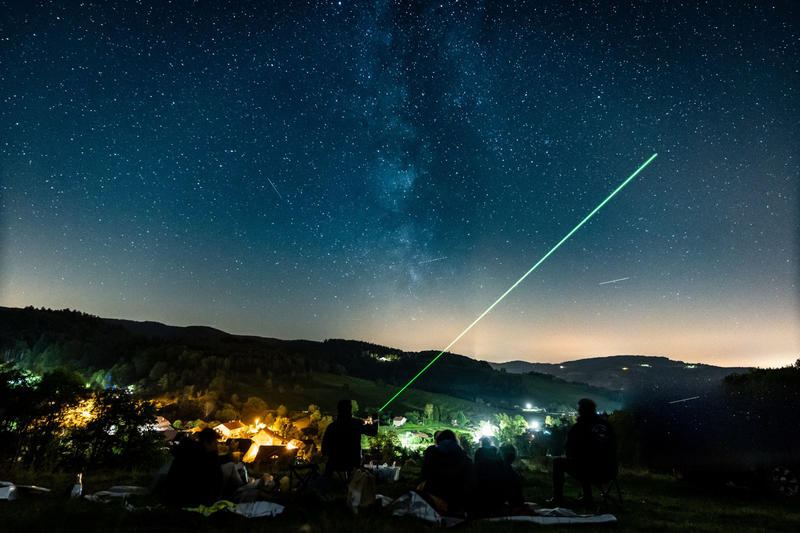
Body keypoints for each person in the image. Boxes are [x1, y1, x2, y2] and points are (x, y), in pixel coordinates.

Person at [551, 398, 616, 509]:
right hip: (610, 471)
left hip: (590, 471)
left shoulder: (580, 427)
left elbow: (569, 448)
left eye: (579, 409)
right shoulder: (607, 425)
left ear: (582, 411)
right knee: (585, 462)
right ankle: (587, 497)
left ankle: (558, 498)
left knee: (559, 463)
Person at [159, 428, 224, 507]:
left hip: (171, 497)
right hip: (192, 501)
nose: (216, 447)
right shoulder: (206, 459)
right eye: (215, 444)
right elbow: (215, 481)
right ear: (207, 443)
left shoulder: (186, 450)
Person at [419, 430, 474, 516]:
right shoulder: (464, 457)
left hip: (434, 499)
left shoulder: (432, 453)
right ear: (455, 441)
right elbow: (471, 481)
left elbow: (423, 475)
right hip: (458, 500)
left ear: (438, 440)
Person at [321, 399, 378, 478]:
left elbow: (324, 450)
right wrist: (375, 418)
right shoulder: (356, 424)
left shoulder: (332, 426)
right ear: (350, 410)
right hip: (353, 462)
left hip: (335, 462)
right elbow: (373, 432)